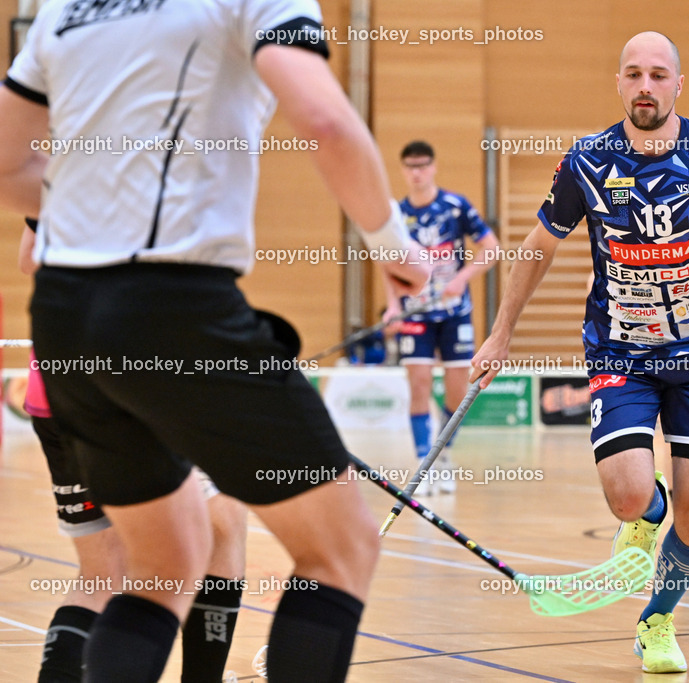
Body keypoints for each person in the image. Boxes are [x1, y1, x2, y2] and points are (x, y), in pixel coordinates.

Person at [0, 3, 429, 681]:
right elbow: (323, 120)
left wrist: (103, 201)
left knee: (160, 570)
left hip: (63, 317)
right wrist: (394, 244)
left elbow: (5, 161)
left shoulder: (67, 8)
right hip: (172, 306)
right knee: (341, 547)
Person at [472, 31, 689, 674]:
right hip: (623, 351)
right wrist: (501, 331)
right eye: (633, 74)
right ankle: (645, 516)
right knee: (626, 496)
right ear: (619, 84)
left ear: (678, 85)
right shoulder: (588, 161)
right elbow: (537, 248)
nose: (645, 86)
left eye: (657, 75)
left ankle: (657, 619)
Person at [19, 223, 249, 683]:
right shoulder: (174, 164)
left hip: (56, 384)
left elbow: (29, 260)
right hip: (142, 383)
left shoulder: (60, 166)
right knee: (223, 529)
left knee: (101, 576)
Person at [385, 141, 499, 495]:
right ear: (403, 171)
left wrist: (461, 280)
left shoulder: (455, 206)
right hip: (416, 313)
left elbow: (491, 249)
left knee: (457, 390)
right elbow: (389, 265)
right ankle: (423, 463)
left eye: (423, 165)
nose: (417, 173)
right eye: (410, 167)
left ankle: (443, 454)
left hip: (454, 313)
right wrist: (392, 305)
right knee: (418, 384)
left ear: (433, 167)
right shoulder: (397, 216)